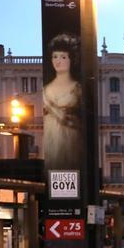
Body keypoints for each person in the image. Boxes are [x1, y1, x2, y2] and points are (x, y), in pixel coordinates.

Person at [42, 33, 82, 170]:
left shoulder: (77, 88)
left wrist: (52, 108)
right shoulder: (46, 89)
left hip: (70, 140)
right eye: (55, 57)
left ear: (71, 59)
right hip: (51, 138)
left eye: (63, 57)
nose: (58, 61)